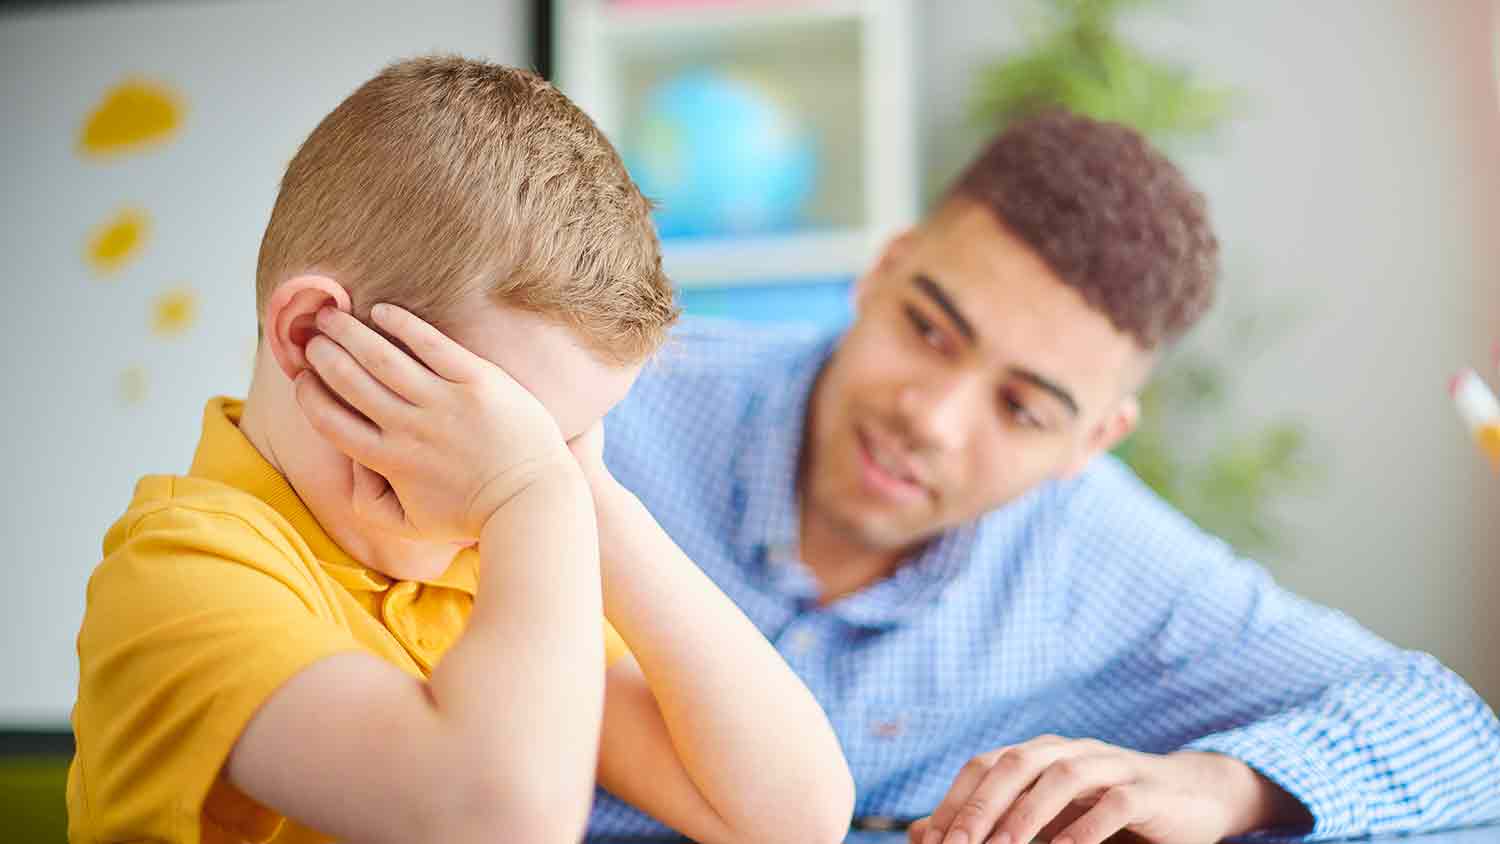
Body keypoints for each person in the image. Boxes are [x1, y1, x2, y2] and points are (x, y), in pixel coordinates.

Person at [588, 110, 1500, 844]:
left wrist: (1220, 787)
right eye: (930, 330)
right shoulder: (611, 406)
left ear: (1091, 442)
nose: (931, 420)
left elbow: (1457, 736)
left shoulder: (1101, 555)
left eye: (1022, 409)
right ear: (884, 267)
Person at [67, 56, 853, 844]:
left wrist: (589, 497)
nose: (530, 468)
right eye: (492, 427)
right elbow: (500, 823)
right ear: (314, 336)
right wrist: (530, 496)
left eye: (561, 439)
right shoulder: (178, 578)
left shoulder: (474, 571)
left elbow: (792, 820)